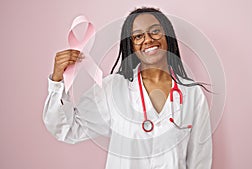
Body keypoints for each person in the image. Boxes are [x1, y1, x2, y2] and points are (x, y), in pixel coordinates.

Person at [43, 7, 212, 169]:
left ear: (168, 36)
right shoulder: (112, 89)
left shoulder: (192, 94)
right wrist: (57, 81)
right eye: (138, 36)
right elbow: (68, 128)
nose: (148, 39)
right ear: (131, 46)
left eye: (155, 31)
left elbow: (200, 159)